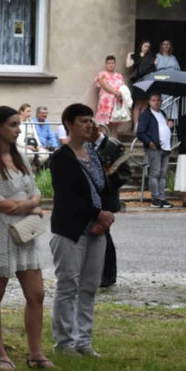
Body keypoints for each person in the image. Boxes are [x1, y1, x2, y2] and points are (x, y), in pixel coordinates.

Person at [0, 105, 50, 370]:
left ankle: (36, 353)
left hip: (25, 231)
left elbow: (35, 190)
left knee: (37, 293)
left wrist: (29, 204)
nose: (18, 130)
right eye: (13, 125)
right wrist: (27, 206)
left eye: (19, 124)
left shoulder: (20, 155)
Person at [50, 103, 112, 357]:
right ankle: (64, 342)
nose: (89, 125)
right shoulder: (61, 157)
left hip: (97, 230)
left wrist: (105, 217)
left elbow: (104, 189)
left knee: (89, 286)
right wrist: (97, 214)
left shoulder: (94, 155)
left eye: (91, 120)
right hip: (70, 229)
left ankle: (83, 340)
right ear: (69, 124)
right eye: (83, 121)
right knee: (68, 285)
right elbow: (69, 196)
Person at [92, 124, 132, 288]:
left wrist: (107, 181)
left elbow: (125, 172)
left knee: (104, 235)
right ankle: (96, 272)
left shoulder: (113, 146)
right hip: (91, 197)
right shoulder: (85, 146)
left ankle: (108, 274)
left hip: (106, 197)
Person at [136, 92, 174, 208]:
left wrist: (170, 127)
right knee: (155, 173)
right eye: (153, 100)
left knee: (163, 174)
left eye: (158, 100)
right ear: (149, 102)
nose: (156, 102)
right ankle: (155, 198)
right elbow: (140, 132)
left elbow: (165, 130)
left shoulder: (162, 113)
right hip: (154, 148)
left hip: (165, 147)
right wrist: (149, 142)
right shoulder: (146, 115)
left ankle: (162, 198)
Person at [94, 55, 126, 136]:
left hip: (116, 102)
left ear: (115, 64)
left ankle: (114, 146)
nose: (111, 65)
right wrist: (115, 92)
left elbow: (123, 86)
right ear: (106, 64)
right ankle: (103, 146)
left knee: (114, 126)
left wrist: (122, 93)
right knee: (104, 125)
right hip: (105, 103)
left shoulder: (119, 75)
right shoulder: (102, 74)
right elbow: (105, 85)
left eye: (112, 63)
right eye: (109, 63)